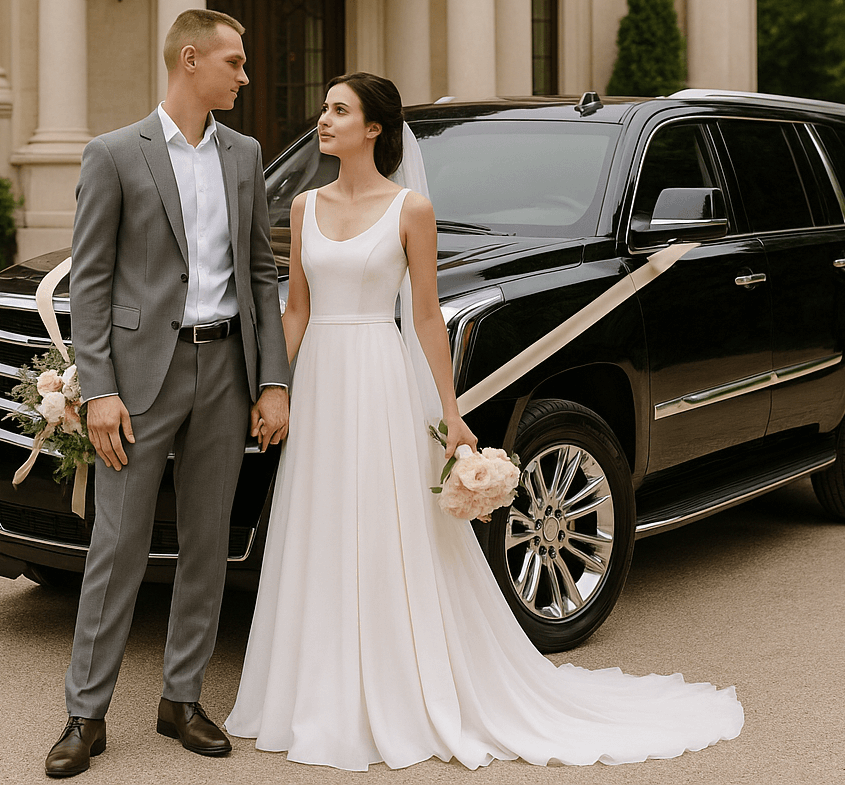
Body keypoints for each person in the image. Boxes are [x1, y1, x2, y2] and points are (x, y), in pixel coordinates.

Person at [225, 72, 744, 770]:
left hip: (381, 377)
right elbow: (296, 312)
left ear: (374, 129)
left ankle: (399, 684)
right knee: (320, 520)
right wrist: (273, 389)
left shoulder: (410, 209)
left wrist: (450, 413)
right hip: (319, 379)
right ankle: (317, 686)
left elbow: (428, 317)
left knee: (386, 524)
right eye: (324, 108)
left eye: (339, 110)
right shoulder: (305, 205)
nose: (323, 119)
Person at [44, 9, 290, 778]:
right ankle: (85, 713)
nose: (244, 77)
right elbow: (89, 283)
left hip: (225, 372)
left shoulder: (245, 155)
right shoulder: (115, 153)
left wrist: (273, 378)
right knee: (116, 547)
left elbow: (258, 271)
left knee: (206, 544)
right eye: (235, 62)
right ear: (191, 60)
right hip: (141, 379)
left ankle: (182, 698)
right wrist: (100, 391)